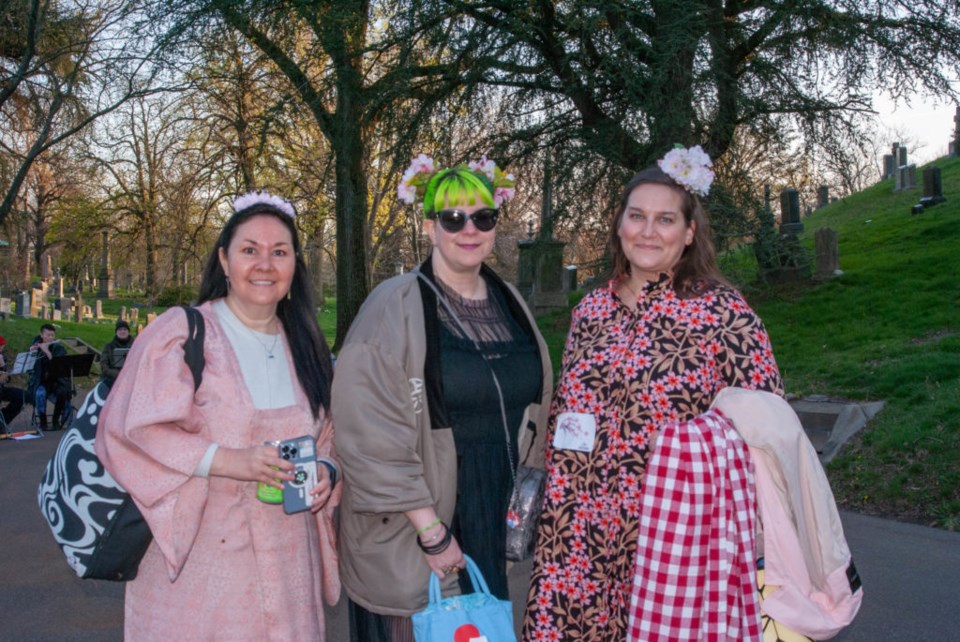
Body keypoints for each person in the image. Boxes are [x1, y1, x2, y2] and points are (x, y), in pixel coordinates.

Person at [522, 145, 785, 640]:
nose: (647, 231)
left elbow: (768, 425)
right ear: (619, 225)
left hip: (671, 532)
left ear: (689, 233)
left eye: (665, 219)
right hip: (576, 527)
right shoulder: (590, 310)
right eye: (636, 215)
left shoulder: (722, 312)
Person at [95, 191, 340, 641]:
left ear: (294, 266)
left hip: (290, 570)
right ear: (224, 260)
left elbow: (327, 436)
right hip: (202, 571)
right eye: (250, 250)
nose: (265, 264)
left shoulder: (305, 345)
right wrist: (229, 461)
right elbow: (130, 431)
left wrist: (325, 470)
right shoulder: (182, 334)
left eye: (279, 252)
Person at [333, 154, 553, 641]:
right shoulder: (393, 303)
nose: (468, 229)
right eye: (453, 218)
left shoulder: (509, 302)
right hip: (421, 515)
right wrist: (430, 531)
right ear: (431, 226)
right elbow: (366, 430)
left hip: (489, 510)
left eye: (483, 216)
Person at [27, 323, 71, 431]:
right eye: (48, 335)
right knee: (39, 393)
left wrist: (46, 351)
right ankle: (43, 421)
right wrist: (31, 353)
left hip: (57, 381)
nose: (51, 338)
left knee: (62, 393)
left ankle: (56, 420)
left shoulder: (59, 348)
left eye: (52, 335)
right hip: (41, 381)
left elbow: (58, 365)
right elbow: (29, 369)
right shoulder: (35, 347)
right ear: (42, 335)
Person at [99, 319, 134, 390]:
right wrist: (117, 374)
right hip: (113, 377)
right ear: (116, 332)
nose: (122, 331)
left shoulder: (136, 345)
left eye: (125, 329)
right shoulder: (108, 346)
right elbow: (103, 365)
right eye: (120, 330)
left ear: (128, 331)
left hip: (131, 376)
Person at [0, 336, 26, 430]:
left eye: (2, 347)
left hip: (1, 388)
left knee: (21, 396)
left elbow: (7, 379)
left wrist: (3, 366)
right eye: (1, 346)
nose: (2, 349)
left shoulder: (2, 356)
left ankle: (2, 421)